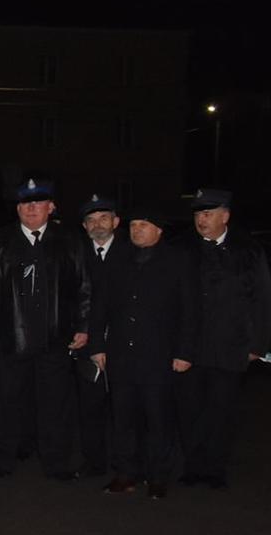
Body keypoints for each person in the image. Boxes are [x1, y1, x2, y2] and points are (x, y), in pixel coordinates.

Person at [0, 178, 93, 480]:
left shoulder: (68, 240)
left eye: (38, 203)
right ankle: (3, 460)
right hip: (12, 337)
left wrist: (82, 326)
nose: (31, 208)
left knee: (55, 405)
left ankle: (56, 463)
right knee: (8, 402)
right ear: (18, 209)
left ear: (50, 207)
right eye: (25, 204)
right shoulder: (0, 241)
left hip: (54, 338)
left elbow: (83, 286)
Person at [87, 206, 197, 499]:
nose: (137, 230)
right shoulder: (118, 259)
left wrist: (184, 351)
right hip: (121, 353)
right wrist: (96, 344)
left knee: (158, 417)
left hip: (159, 354)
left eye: (144, 225)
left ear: (159, 230)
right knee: (122, 417)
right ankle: (126, 473)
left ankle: (158, 475)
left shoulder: (177, 260)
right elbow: (100, 306)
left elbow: (189, 310)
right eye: (134, 225)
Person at [179, 188, 271, 490]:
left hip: (231, 345)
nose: (201, 220)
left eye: (208, 214)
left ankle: (215, 469)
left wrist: (258, 344)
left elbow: (262, 300)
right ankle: (192, 466)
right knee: (191, 408)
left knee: (222, 409)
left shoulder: (248, 251)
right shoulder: (183, 249)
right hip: (192, 346)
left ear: (225, 216)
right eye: (197, 214)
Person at [74, 194, 125, 477]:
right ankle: (93, 462)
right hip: (86, 341)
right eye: (91, 220)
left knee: (124, 408)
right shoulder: (76, 252)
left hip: (124, 342)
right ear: (84, 226)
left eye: (103, 218)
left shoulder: (131, 251)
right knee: (90, 406)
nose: (98, 224)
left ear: (116, 221)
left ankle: (125, 463)